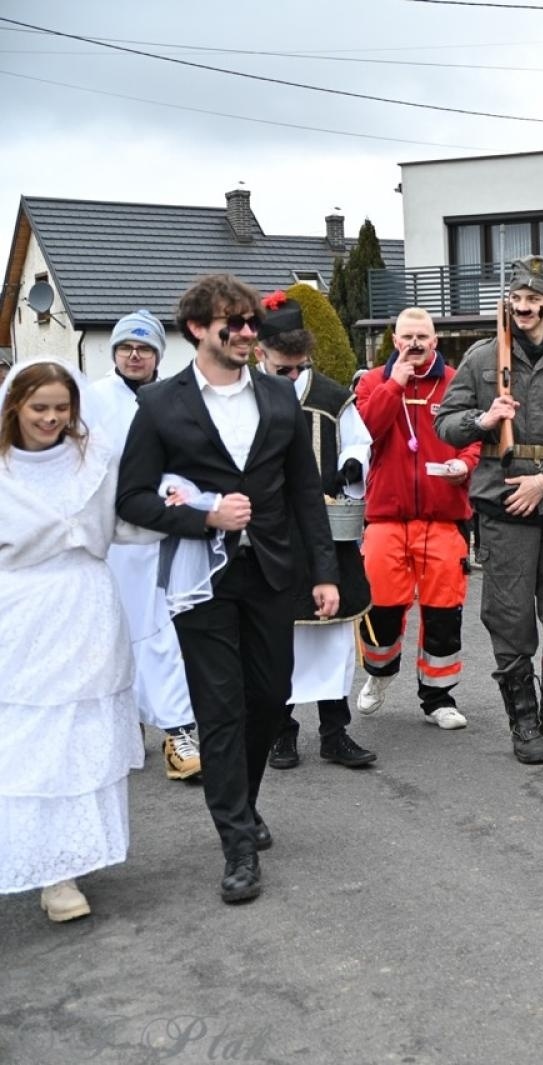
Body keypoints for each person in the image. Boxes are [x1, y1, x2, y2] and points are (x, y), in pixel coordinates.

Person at [118, 274, 340, 905]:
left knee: (270, 695)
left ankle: (242, 800)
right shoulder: (160, 404)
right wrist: (203, 518)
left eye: (251, 323)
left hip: (273, 570)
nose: (248, 333)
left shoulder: (277, 398)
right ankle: (237, 843)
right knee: (220, 705)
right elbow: (131, 497)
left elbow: (304, 491)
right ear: (197, 329)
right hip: (201, 577)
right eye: (233, 323)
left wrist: (324, 573)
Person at [436, 258, 543, 765]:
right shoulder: (483, 359)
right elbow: (446, 423)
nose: (524, 306)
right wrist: (483, 419)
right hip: (503, 503)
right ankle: (524, 719)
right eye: (517, 298)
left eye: (534, 299)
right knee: (509, 615)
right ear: (509, 301)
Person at [0, 361, 151, 922]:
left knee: (75, 735)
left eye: (62, 408)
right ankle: (26, 849)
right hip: (16, 609)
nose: (52, 419)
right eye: (40, 407)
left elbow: (129, 520)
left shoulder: (96, 458)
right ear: (15, 405)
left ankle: (62, 869)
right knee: (25, 735)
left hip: (84, 603)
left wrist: (190, 511)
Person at [254, 294, 377, 771]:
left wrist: (351, 463)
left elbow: (360, 440)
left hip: (325, 530)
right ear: (261, 354)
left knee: (332, 635)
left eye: (294, 367)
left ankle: (334, 731)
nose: (287, 376)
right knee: (275, 634)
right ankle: (280, 732)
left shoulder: (331, 396)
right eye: (279, 367)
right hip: (272, 533)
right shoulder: (247, 393)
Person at [81, 310, 202, 782]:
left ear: (158, 355)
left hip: (165, 535)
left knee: (164, 639)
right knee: (114, 638)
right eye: (126, 347)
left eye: (145, 347)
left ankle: (177, 731)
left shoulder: (177, 398)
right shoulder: (92, 401)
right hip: (112, 540)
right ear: (114, 353)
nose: (135, 355)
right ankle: (125, 726)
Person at [354, 308, 479, 734]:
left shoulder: (457, 381)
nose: (415, 343)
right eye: (407, 336)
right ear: (394, 340)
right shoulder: (373, 382)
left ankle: (438, 698)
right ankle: (380, 672)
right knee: (382, 608)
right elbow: (366, 432)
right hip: (386, 517)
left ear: (436, 340)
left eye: (422, 336)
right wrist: (395, 384)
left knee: (444, 612)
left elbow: (474, 435)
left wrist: (466, 464)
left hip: (443, 517)